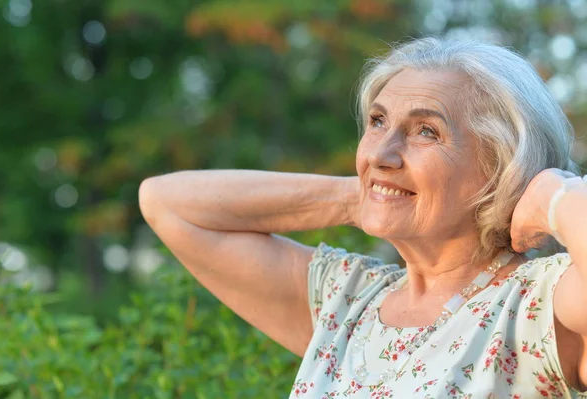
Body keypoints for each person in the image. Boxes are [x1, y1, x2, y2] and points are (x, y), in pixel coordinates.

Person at [138, 37, 587, 397]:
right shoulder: (347, 299)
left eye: (426, 131)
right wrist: (361, 197)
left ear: (501, 164)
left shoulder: (538, 306)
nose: (380, 153)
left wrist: (556, 193)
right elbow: (166, 201)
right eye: (377, 122)